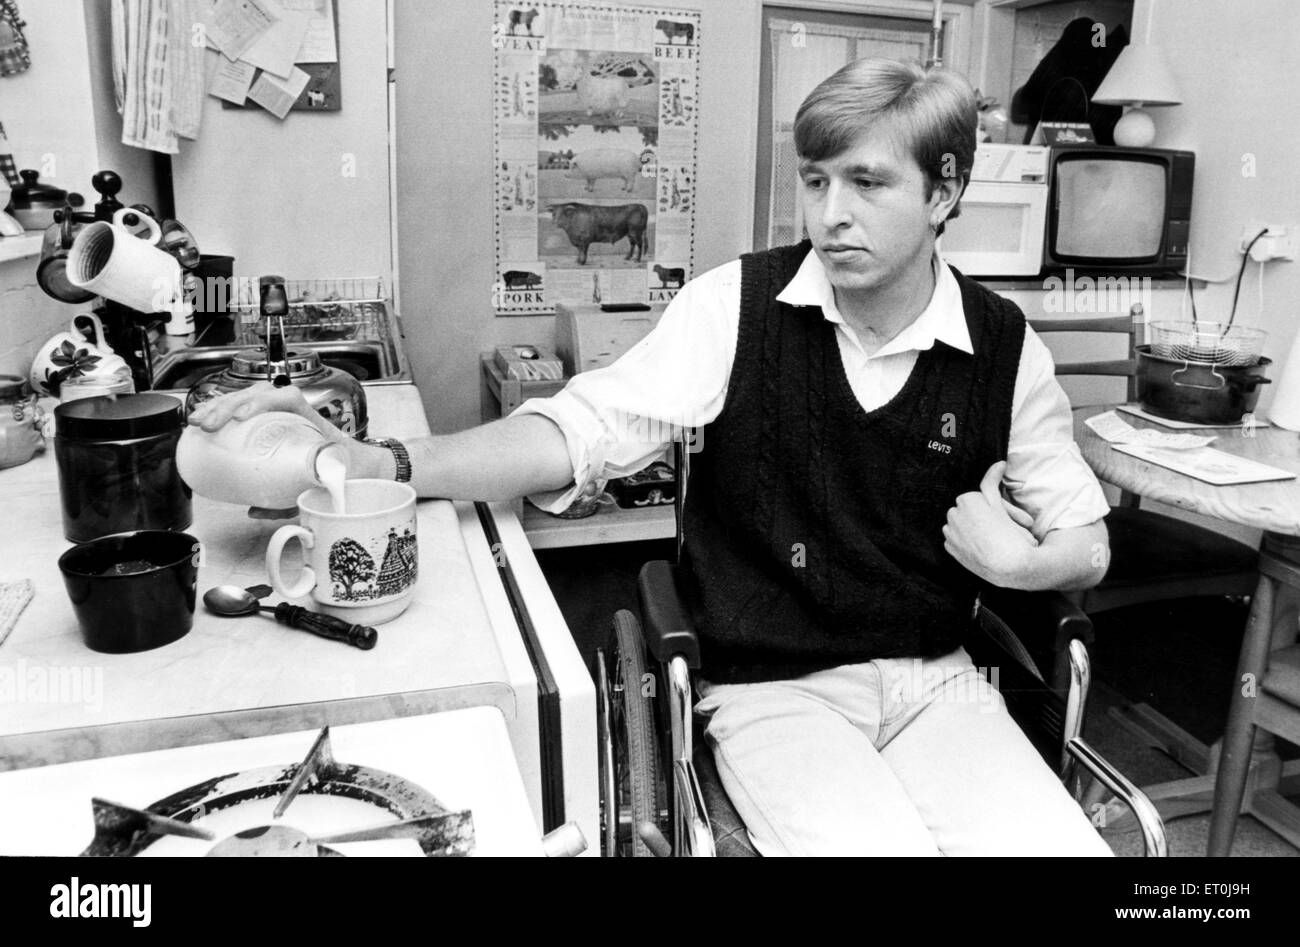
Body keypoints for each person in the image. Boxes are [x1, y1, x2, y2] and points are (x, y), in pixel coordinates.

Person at [191, 58, 1112, 856]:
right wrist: (381, 458)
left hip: (937, 680)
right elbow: (575, 431)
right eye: (817, 181)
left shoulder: (1001, 343)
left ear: (944, 192)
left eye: (868, 185)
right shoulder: (736, 310)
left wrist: (1023, 562)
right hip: (775, 686)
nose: (832, 215)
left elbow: (1086, 539)